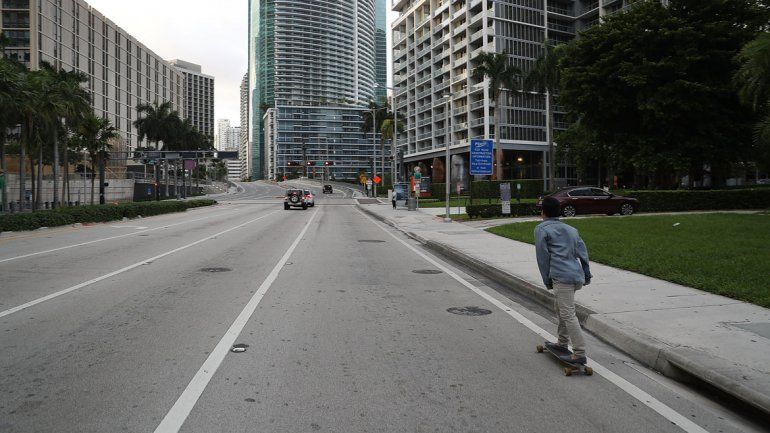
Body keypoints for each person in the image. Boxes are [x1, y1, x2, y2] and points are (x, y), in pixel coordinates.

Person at [534, 196, 592, 364]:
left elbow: (543, 258)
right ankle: (562, 342)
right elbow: (583, 253)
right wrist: (587, 275)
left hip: (561, 277)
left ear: (543, 212)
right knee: (560, 309)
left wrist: (547, 280)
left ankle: (579, 352)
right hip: (576, 276)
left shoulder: (541, 229)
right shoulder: (571, 229)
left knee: (567, 313)